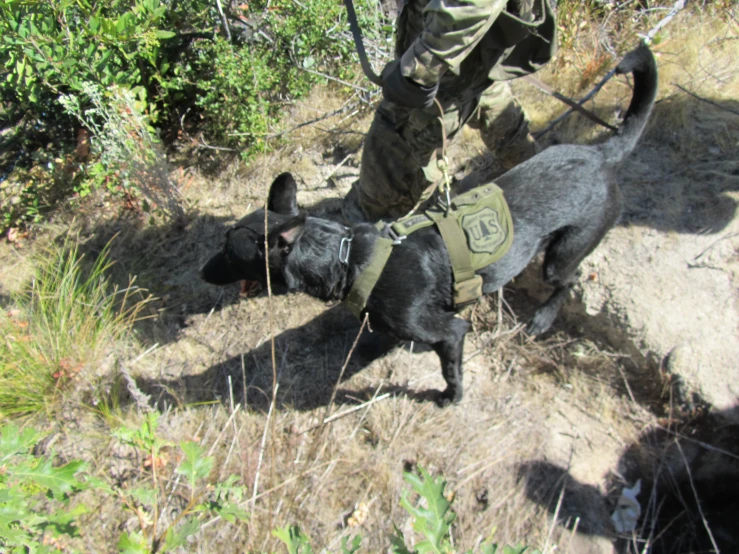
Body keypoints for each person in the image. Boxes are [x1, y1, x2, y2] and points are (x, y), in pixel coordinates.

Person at [343, 0, 558, 222]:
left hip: (445, 64)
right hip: (471, 55)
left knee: (378, 196)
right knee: (494, 109)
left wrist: (421, 66)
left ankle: (371, 234)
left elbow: (472, 5)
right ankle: (551, 192)